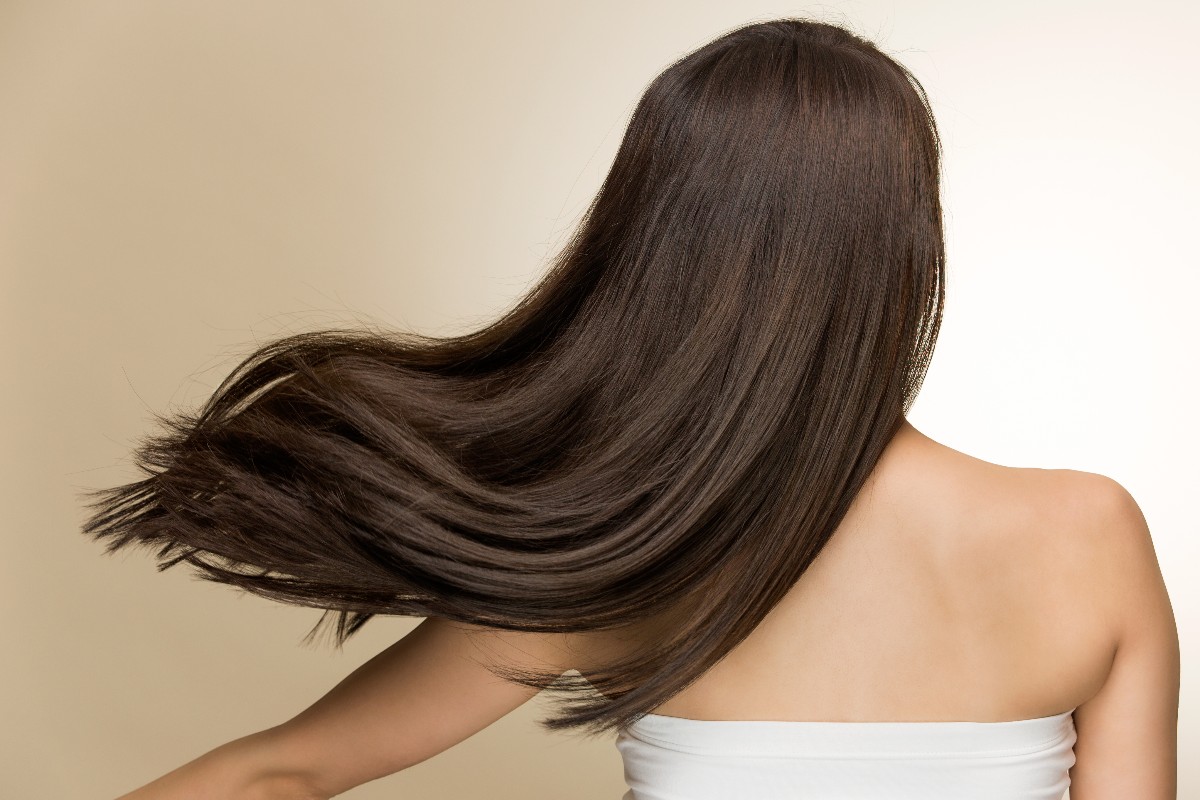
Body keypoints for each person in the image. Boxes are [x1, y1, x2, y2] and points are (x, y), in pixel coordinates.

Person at [80, 16, 1179, 800]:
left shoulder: (639, 548)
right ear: (908, 247)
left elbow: (283, 770)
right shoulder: (1089, 535)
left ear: (655, 244)